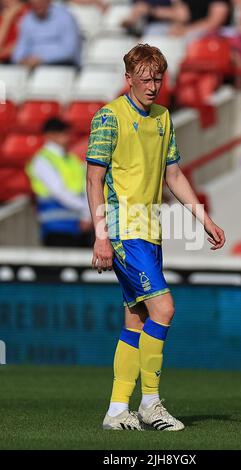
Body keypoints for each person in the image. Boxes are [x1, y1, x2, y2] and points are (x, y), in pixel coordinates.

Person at [86, 44, 225, 431]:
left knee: (137, 319)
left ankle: (116, 410)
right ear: (128, 78)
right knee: (164, 310)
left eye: (158, 78)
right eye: (144, 78)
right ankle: (150, 403)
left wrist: (204, 219)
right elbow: (94, 179)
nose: (152, 86)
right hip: (123, 230)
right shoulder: (109, 117)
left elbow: (174, 174)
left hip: (150, 232)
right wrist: (101, 234)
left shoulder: (163, 118)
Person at [26, 118, 92, 247]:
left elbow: (87, 187)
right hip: (56, 228)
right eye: (62, 132)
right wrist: (86, 211)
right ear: (49, 135)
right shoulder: (42, 160)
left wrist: (87, 216)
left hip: (79, 225)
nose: (67, 136)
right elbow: (58, 191)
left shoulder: (73, 160)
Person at [12, 0, 81, 67]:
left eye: (40, 2)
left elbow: (69, 51)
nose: (37, 5)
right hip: (31, 67)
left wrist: (41, 59)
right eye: (34, 3)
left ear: (48, 1)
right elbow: (18, 52)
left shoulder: (65, 17)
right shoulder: (27, 20)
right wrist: (23, 60)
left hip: (61, 65)